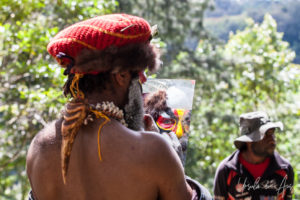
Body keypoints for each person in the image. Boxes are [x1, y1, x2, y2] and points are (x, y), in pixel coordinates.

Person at [26, 14, 194, 200]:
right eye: (141, 72)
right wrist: (173, 157)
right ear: (121, 74)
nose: (144, 81)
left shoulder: (39, 146)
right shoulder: (153, 150)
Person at [213, 111, 294, 200]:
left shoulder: (285, 169)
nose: (272, 138)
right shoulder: (226, 170)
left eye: (272, 132)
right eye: (265, 134)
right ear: (249, 141)